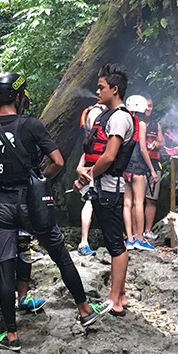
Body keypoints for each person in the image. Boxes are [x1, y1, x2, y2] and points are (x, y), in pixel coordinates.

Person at [0, 72, 105, 350]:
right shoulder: (32, 126)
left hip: (0, 206)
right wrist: (40, 180)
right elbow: (59, 161)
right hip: (32, 203)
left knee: (5, 265)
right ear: (17, 96)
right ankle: (85, 311)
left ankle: (12, 337)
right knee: (61, 255)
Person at [75, 63, 137, 316]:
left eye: (101, 87)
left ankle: (114, 300)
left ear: (114, 89)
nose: (97, 91)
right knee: (113, 241)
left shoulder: (121, 117)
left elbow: (110, 156)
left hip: (110, 187)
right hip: (99, 185)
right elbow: (91, 148)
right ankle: (119, 295)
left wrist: (87, 177)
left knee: (115, 244)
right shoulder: (104, 115)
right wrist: (81, 169)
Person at [123, 95, 155, 251]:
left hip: (125, 168)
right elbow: (142, 148)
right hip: (138, 168)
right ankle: (140, 239)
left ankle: (129, 239)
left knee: (127, 203)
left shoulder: (125, 121)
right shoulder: (140, 123)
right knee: (138, 203)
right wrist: (152, 170)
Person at [76, 103, 105, 256]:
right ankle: (83, 242)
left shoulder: (98, 112)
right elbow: (95, 144)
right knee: (90, 200)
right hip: (96, 164)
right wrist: (81, 167)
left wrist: (80, 166)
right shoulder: (97, 113)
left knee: (93, 201)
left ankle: (85, 242)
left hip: (93, 162)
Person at [142, 97, 164, 241]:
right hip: (140, 167)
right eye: (145, 106)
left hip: (155, 165)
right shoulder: (136, 124)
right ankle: (134, 233)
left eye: (150, 106)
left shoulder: (156, 125)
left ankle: (147, 231)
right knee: (136, 201)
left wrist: (156, 143)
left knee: (151, 199)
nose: (148, 109)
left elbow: (162, 142)